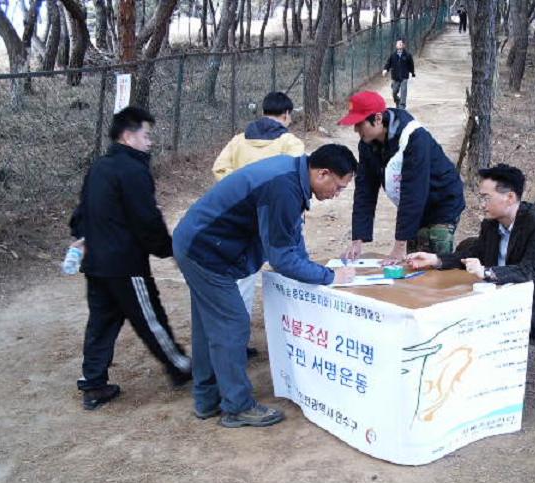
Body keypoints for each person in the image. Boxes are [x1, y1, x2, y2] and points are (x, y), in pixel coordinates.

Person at [173, 144, 358, 428]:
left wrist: (309, 266)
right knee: (232, 324)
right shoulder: (283, 187)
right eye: (340, 187)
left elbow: (291, 234)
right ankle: (237, 406)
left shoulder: (291, 174)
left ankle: (207, 399)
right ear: (323, 174)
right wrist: (330, 277)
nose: (337, 194)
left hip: (200, 242)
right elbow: (282, 258)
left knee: (209, 326)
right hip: (205, 251)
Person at [69, 106, 192, 411]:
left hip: (97, 264)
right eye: (146, 135)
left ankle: (94, 384)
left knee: (101, 322)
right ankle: (179, 366)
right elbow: (147, 219)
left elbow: (80, 213)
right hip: (124, 264)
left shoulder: (99, 166)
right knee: (150, 319)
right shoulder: (133, 171)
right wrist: (169, 249)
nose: (150, 142)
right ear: (128, 136)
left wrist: (82, 238)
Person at [405, 164, 535, 352]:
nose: (482, 204)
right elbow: (475, 254)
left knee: (472, 323)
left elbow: (531, 269)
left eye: (486, 198)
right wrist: (436, 260)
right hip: (502, 298)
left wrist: (487, 271)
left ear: (510, 197)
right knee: (455, 312)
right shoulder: (491, 224)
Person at [211, 91, 306, 358]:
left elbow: (219, 169)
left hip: (243, 220)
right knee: (290, 271)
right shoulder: (290, 142)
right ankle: (294, 332)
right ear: (287, 114)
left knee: (242, 282)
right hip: (278, 219)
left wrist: (242, 195)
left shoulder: (239, 140)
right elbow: (296, 180)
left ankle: (236, 344)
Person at [338, 91, 465, 264]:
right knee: (413, 259)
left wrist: (398, 247)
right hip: (417, 203)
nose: (355, 130)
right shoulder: (367, 144)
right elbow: (365, 190)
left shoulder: (415, 138)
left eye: (359, 124)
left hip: (442, 201)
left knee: (433, 256)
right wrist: (357, 239)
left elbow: (413, 193)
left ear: (376, 119)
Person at [382, 38, 415, 109]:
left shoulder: (408, 55)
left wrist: (412, 73)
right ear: (396, 46)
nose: (400, 44)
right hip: (395, 77)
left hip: (404, 76)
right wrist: (385, 69)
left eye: (401, 43)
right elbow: (388, 63)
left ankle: (402, 105)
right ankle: (397, 100)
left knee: (403, 90)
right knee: (394, 92)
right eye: (398, 43)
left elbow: (411, 65)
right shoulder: (393, 55)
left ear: (404, 45)